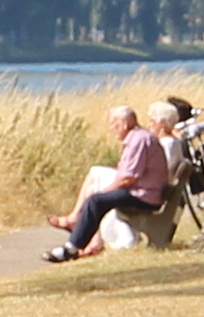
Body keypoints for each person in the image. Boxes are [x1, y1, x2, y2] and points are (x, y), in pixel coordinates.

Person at [46, 105, 167, 262]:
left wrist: (105, 192)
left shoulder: (139, 140)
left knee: (96, 200)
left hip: (144, 195)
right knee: (97, 199)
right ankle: (83, 240)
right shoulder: (138, 138)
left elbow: (128, 179)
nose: (111, 128)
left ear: (124, 123)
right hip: (143, 192)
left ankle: (72, 248)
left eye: (113, 124)